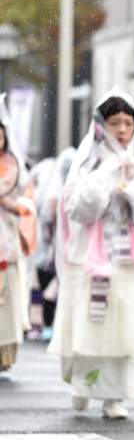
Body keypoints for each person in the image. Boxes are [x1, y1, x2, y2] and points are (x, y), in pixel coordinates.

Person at [47, 87, 134, 420]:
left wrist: (132, 187)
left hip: (131, 259)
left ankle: (115, 396)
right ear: (102, 126)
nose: (121, 130)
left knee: (128, 327)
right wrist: (106, 175)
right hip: (90, 260)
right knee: (90, 324)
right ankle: (82, 386)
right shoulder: (89, 162)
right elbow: (76, 209)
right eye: (114, 122)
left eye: (127, 123)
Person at [0, 97, 37, 370]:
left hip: (6, 244)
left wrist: (9, 206)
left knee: (7, 301)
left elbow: (27, 204)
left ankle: (4, 358)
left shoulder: (15, 169)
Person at [33, 148, 75, 342]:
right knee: (57, 286)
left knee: (54, 286)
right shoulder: (65, 190)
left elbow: (47, 219)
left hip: (61, 246)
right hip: (63, 246)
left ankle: (51, 326)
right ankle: (53, 326)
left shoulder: (60, 191)